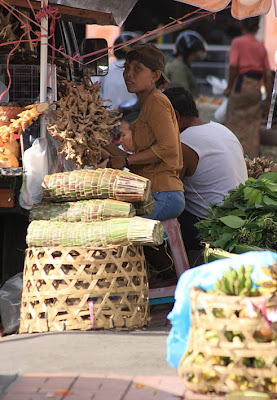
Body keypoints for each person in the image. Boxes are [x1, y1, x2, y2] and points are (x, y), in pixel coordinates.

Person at [163, 86, 248, 258]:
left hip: (215, 225)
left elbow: (167, 188)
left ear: (176, 117)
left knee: (164, 207)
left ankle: (168, 271)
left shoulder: (183, 143)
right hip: (242, 216)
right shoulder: (221, 129)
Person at [104, 43, 185, 222]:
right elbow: (136, 160)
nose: (129, 74)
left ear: (155, 76)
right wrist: (104, 144)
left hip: (163, 195)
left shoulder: (157, 102)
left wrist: (126, 160)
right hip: (153, 193)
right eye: (126, 68)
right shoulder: (147, 103)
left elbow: (168, 148)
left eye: (138, 69)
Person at [224, 16, 272, 160]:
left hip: (241, 84)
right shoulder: (260, 46)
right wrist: (268, 98)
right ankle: (251, 162)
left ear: (242, 25)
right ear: (257, 27)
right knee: (252, 127)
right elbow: (268, 74)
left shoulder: (237, 42)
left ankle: (233, 157)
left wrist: (229, 86)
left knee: (234, 122)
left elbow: (233, 66)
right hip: (255, 87)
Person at [93, 32, 140, 110]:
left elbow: (94, 91)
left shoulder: (104, 67)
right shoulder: (140, 70)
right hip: (132, 117)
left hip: (107, 117)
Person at [164, 30, 207, 99]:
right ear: (187, 52)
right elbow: (182, 97)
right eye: (193, 53)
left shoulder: (179, 65)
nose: (195, 57)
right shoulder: (177, 67)